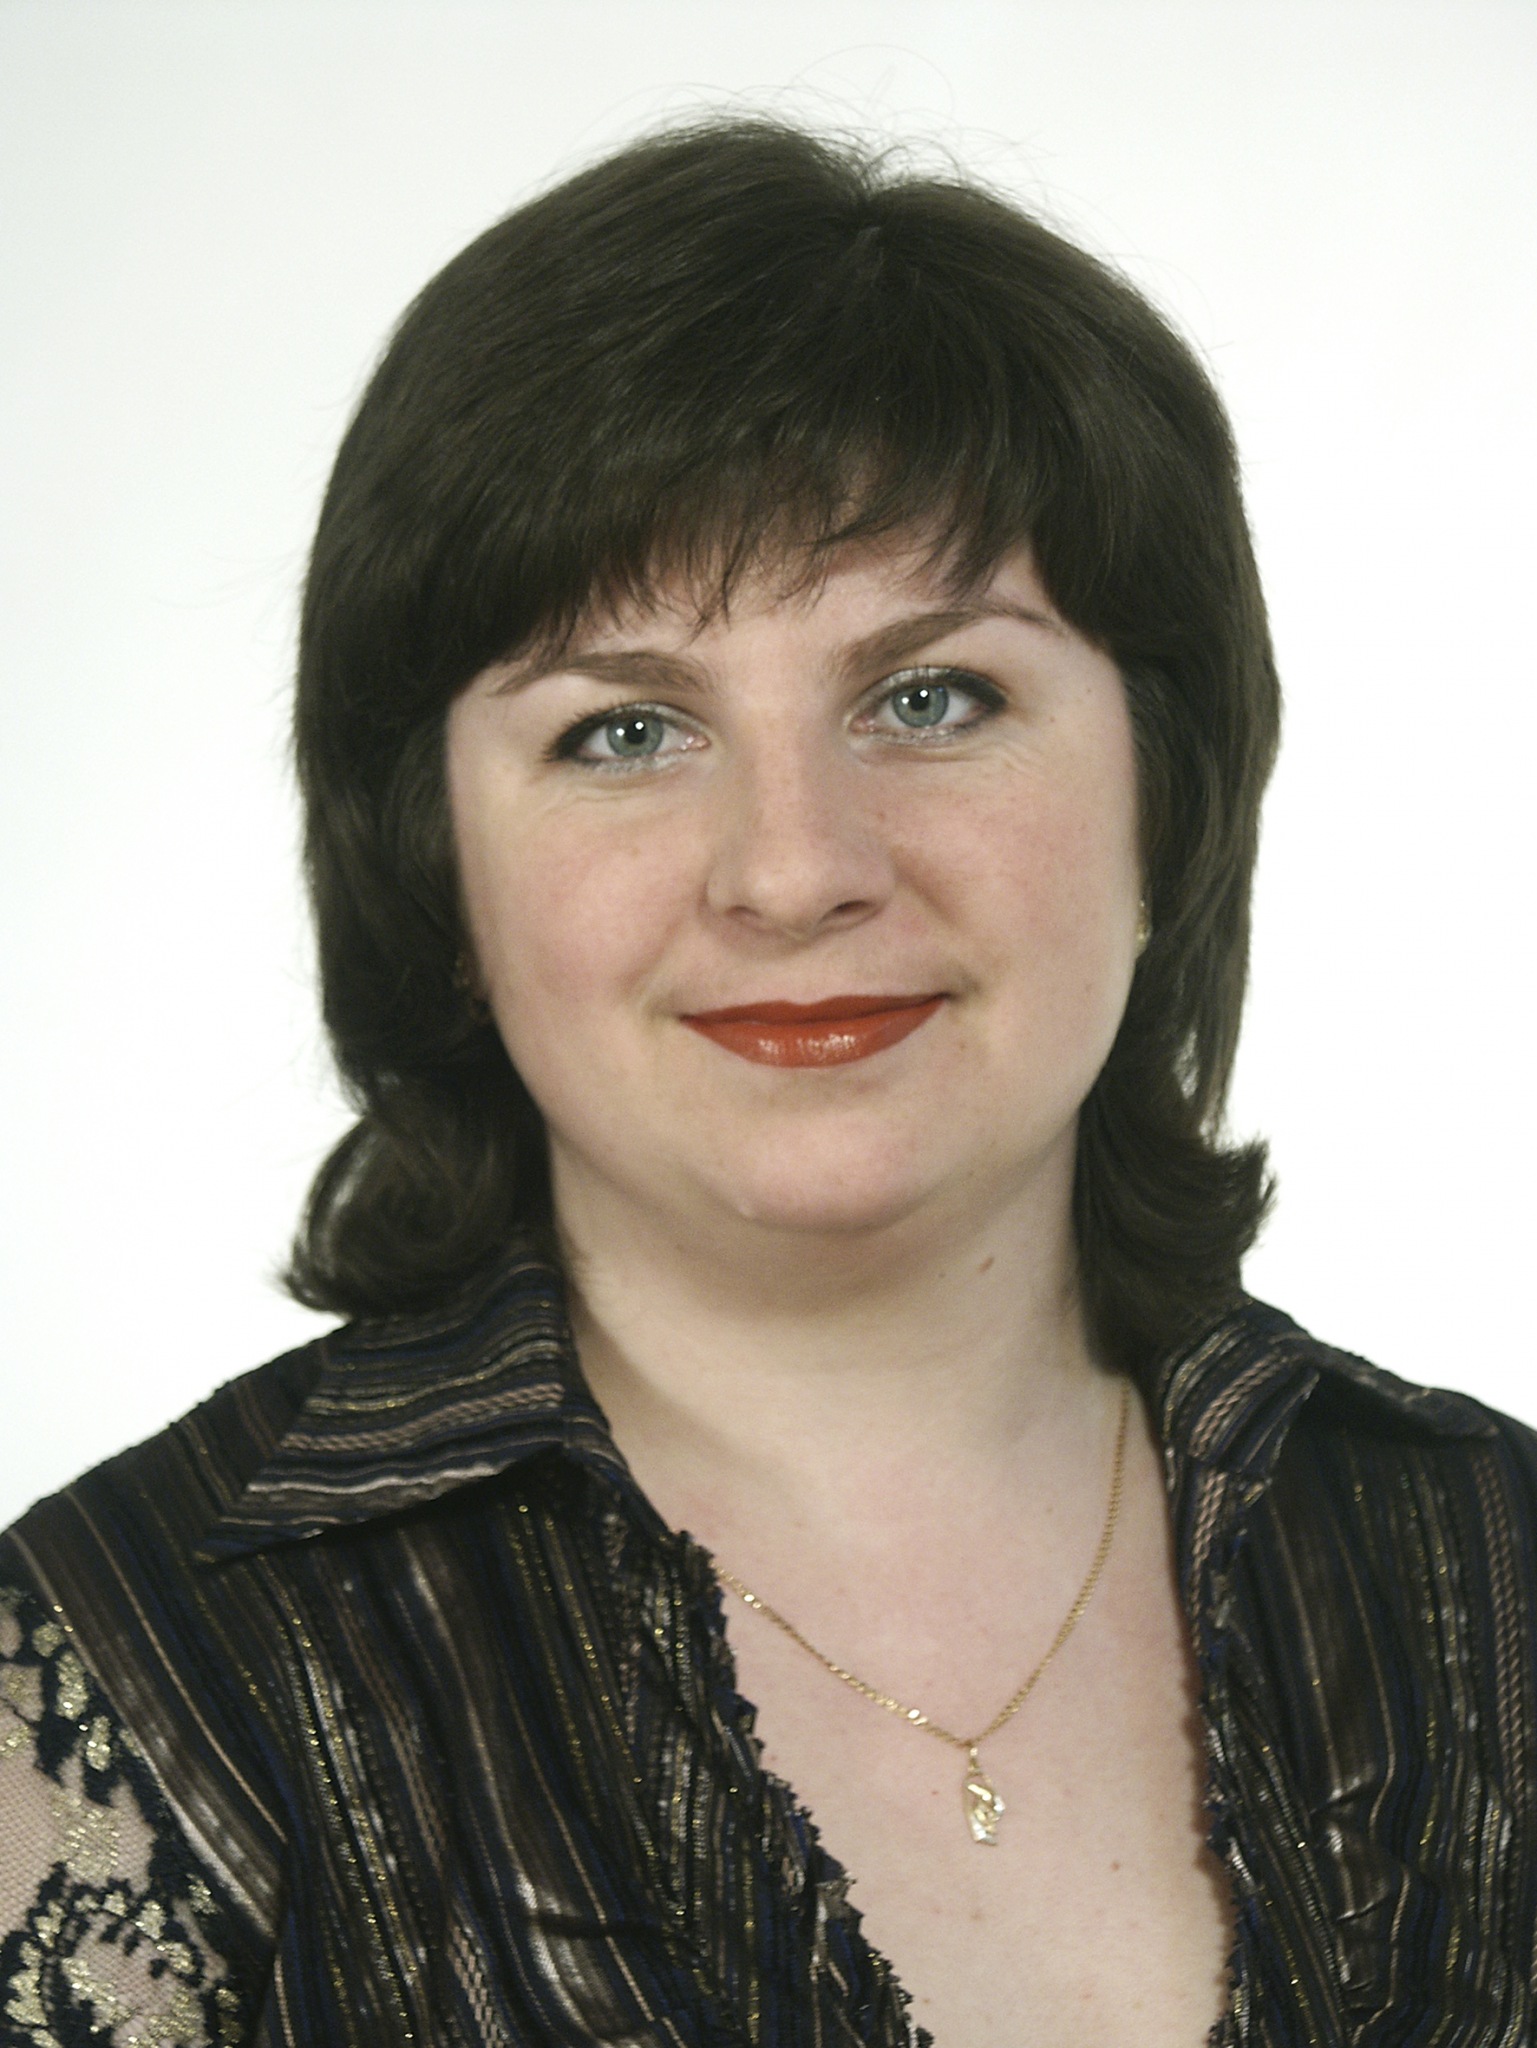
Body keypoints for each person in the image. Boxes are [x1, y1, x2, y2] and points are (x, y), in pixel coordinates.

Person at [2, 116, 1534, 2048]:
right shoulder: (112, 1692)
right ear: (435, 872)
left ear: (1168, 794)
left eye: (932, 696)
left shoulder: (1497, 1573)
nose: (796, 868)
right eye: (624, 730)